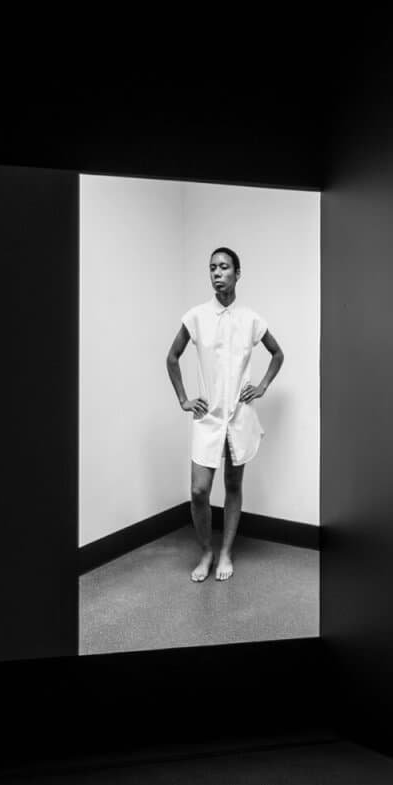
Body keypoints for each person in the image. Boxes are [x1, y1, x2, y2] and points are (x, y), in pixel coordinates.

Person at [165, 246, 285, 582]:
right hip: (208, 417)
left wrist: (261, 387)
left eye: (224, 267)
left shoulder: (251, 319)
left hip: (239, 415)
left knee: (233, 484)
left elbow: (277, 353)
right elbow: (172, 357)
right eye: (212, 268)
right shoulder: (196, 316)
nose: (217, 274)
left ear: (237, 273)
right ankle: (206, 551)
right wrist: (184, 399)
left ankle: (227, 552)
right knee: (199, 491)